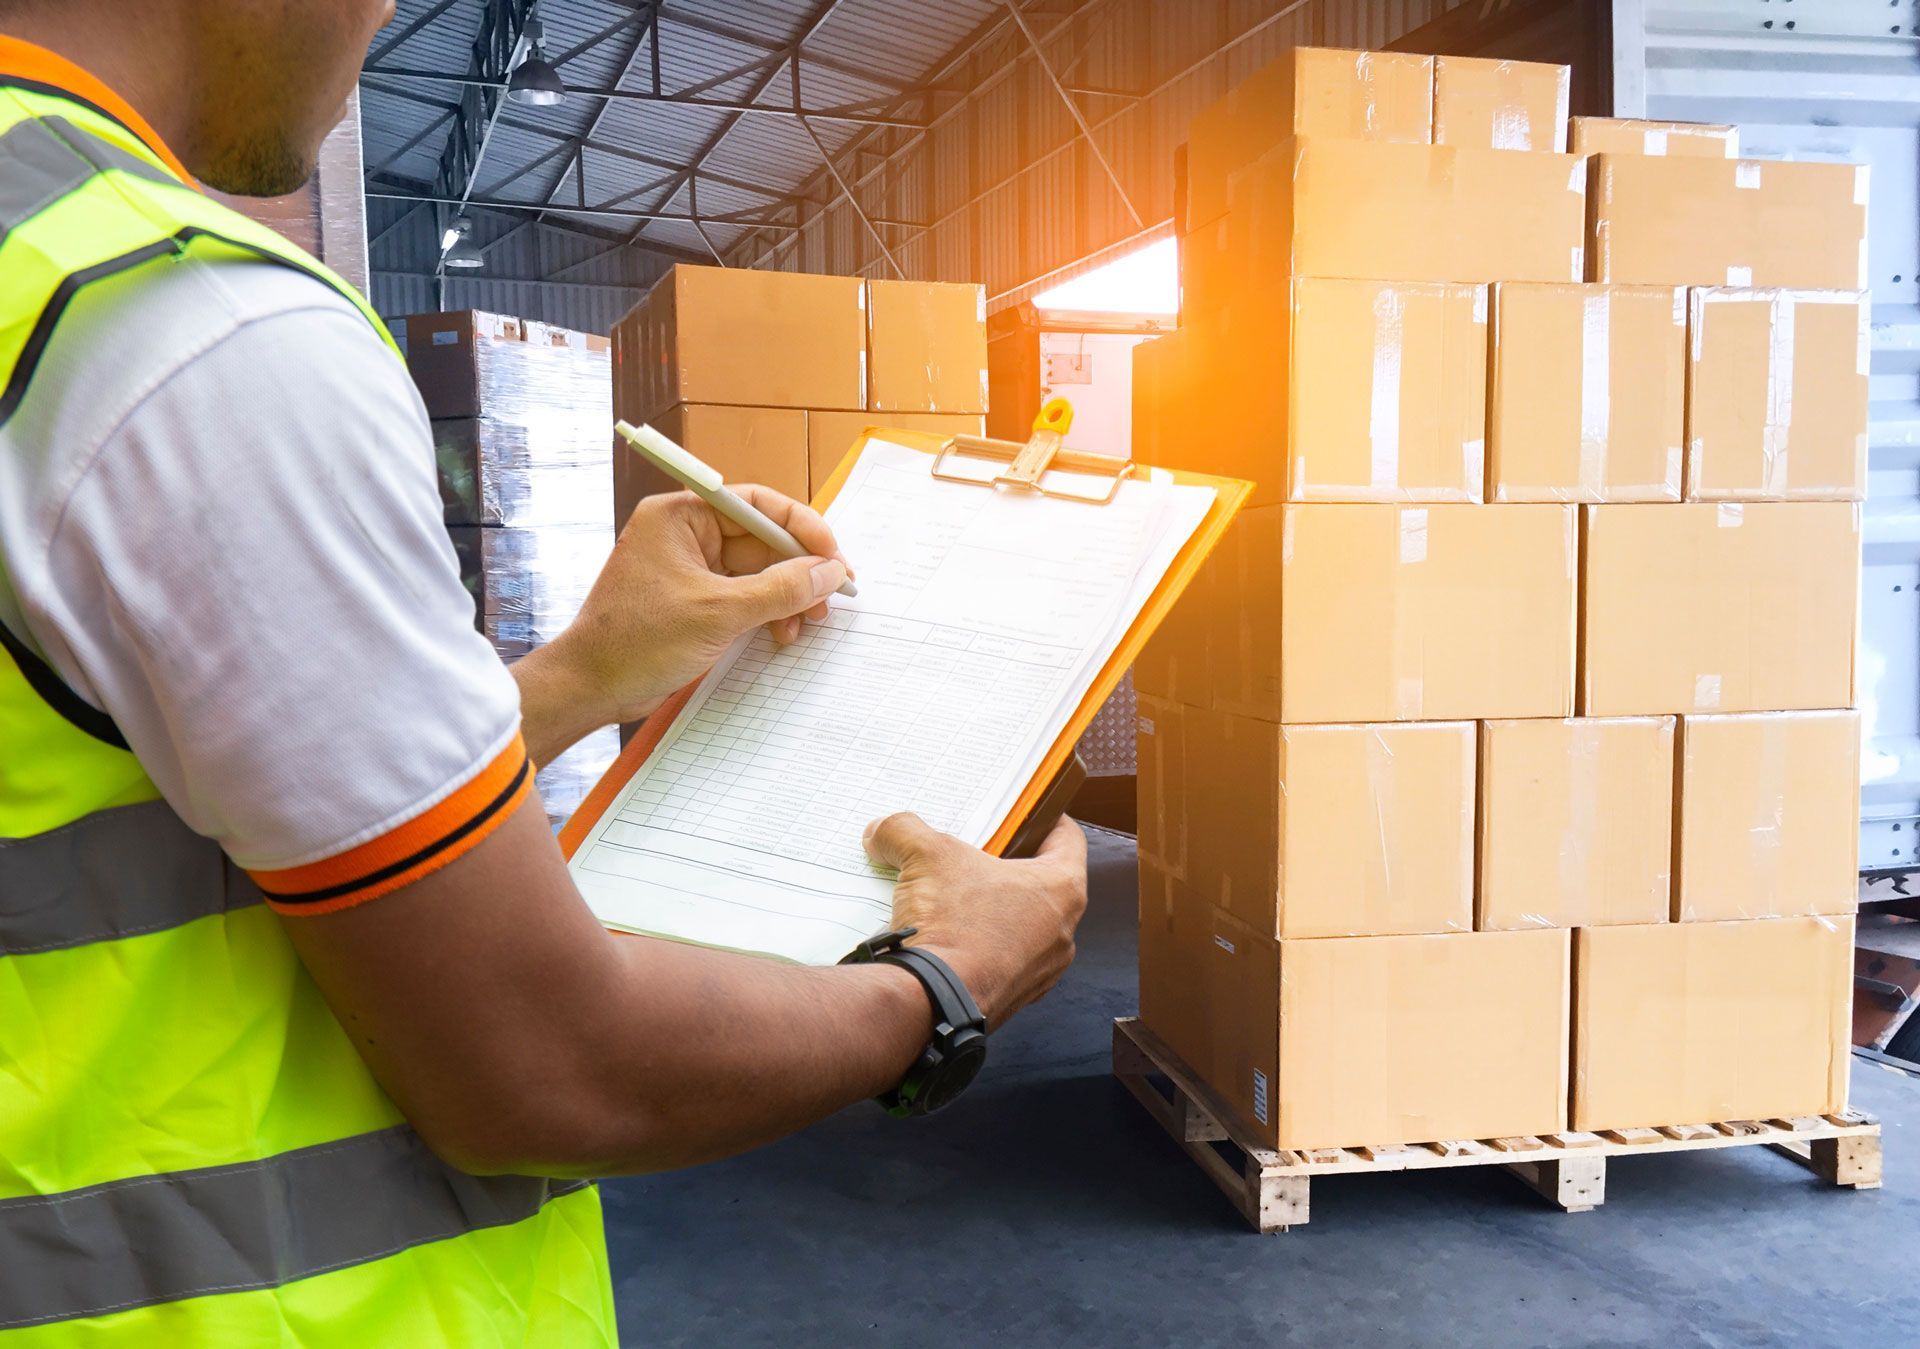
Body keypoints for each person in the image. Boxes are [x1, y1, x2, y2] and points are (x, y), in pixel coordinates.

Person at [0, 2, 1088, 1342]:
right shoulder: (176, 323)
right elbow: (546, 1063)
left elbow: (162, 799)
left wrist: (582, 670)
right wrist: (943, 986)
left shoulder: (35, 274)